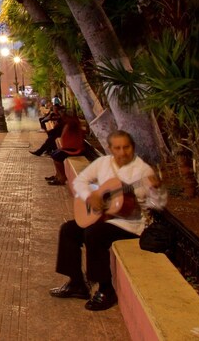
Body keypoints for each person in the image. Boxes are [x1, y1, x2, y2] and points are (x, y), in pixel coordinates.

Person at [48, 130, 166, 311]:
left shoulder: (142, 171)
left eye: (126, 147)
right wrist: (91, 196)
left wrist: (156, 190)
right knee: (68, 229)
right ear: (110, 149)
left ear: (132, 148)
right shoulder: (103, 163)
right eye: (117, 148)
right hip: (105, 217)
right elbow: (80, 181)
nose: (122, 152)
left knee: (94, 233)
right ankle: (77, 283)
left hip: (129, 224)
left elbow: (157, 205)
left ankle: (105, 288)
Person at [44, 113, 86, 185]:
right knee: (54, 154)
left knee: (57, 156)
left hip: (74, 149)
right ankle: (58, 175)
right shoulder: (69, 125)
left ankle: (62, 178)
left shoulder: (73, 125)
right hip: (70, 148)